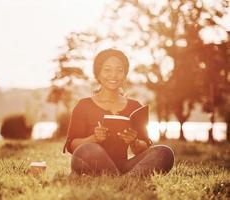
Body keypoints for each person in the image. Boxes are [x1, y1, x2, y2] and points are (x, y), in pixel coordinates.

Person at [63, 48, 174, 176]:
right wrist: (94, 138)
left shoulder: (135, 106)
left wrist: (134, 141)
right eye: (107, 70)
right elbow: (72, 147)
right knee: (88, 150)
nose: (113, 75)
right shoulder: (84, 105)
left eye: (119, 70)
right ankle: (124, 178)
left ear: (125, 75)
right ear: (98, 74)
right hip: (91, 160)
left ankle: (124, 177)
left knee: (164, 152)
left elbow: (144, 148)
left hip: (124, 165)